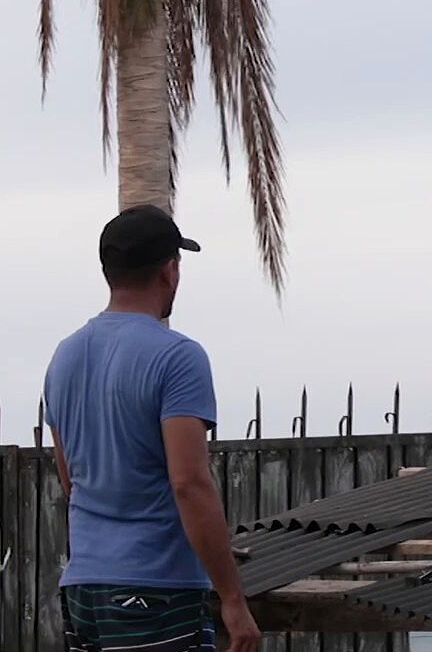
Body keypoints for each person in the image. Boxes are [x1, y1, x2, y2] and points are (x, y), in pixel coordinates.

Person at [42, 205, 261, 652]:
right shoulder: (178, 357)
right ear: (170, 270)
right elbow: (189, 484)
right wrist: (233, 600)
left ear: (109, 272)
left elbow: (71, 478)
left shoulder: (64, 356)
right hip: (155, 590)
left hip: (84, 590)